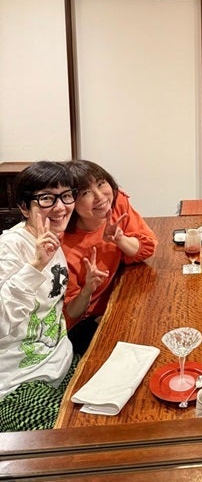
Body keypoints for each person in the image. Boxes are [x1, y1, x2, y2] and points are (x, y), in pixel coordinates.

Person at [0, 161, 79, 431]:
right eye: (47, 198)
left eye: (66, 195)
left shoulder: (51, 237)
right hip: (19, 383)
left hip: (62, 360)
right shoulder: (9, 247)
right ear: (24, 207)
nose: (60, 207)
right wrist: (35, 266)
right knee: (71, 434)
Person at [62, 160, 157, 355]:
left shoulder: (116, 202)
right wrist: (87, 289)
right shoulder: (63, 245)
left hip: (117, 300)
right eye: (85, 193)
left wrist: (120, 239)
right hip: (84, 324)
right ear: (70, 202)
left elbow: (147, 248)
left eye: (100, 183)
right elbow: (70, 315)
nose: (100, 196)